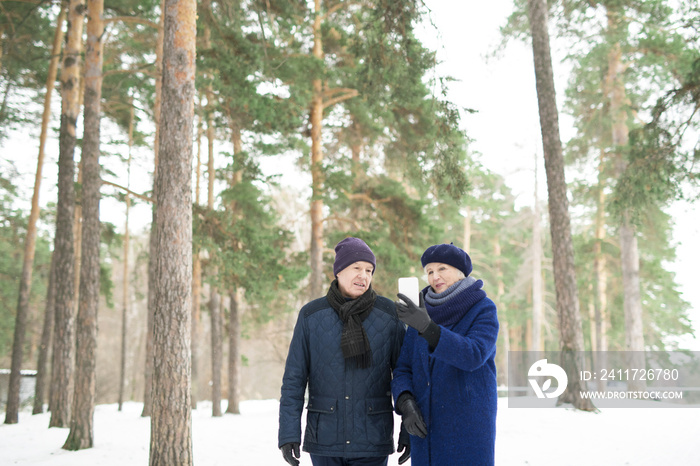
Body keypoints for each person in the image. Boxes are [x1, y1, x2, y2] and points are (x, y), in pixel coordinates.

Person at [279, 237, 408, 466]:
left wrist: (408, 430)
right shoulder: (311, 316)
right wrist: (288, 434)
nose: (364, 275)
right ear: (339, 271)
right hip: (325, 438)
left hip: (373, 438)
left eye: (369, 270)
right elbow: (294, 379)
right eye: (356, 268)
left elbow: (405, 374)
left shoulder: (390, 314)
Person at [392, 242, 499, 466]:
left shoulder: (483, 308)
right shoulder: (419, 313)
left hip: (467, 431)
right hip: (425, 429)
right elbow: (404, 368)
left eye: (442, 269)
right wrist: (406, 402)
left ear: (460, 273)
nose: (434, 276)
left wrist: (428, 329)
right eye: (429, 271)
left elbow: (474, 355)